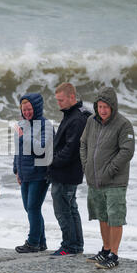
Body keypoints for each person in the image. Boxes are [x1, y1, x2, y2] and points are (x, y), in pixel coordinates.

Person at [80, 86, 135, 269]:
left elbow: (127, 151)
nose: (102, 110)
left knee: (115, 218)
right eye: (100, 107)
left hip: (115, 182)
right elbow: (83, 144)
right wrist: (86, 165)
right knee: (102, 216)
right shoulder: (91, 121)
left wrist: (110, 170)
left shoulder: (123, 124)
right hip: (94, 180)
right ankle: (105, 250)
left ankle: (114, 255)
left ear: (113, 107)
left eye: (106, 107)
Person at [48, 83, 91, 256]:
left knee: (63, 210)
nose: (58, 103)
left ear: (72, 97)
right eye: (57, 100)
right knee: (71, 208)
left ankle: (69, 246)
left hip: (66, 173)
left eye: (61, 100)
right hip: (68, 172)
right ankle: (76, 245)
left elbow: (71, 149)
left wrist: (51, 162)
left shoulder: (78, 118)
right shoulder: (73, 114)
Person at [13, 93, 53, 253]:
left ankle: (33, 242)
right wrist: (16, 170)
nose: (27, 112)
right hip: (25, 173)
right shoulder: (21, 124)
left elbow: (41, 148)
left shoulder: (45, 125)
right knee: (28, 208)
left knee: (33, 207)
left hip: (39, 173)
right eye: (24, 110)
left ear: (36, 108)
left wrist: (24, 136)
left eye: (29, 109)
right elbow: (18, 151)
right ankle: (41, 242)